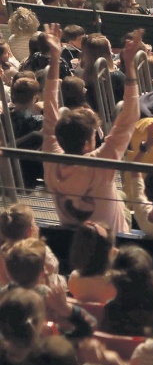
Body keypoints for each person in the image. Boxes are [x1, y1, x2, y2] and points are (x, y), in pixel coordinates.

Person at [43, 25, 142, 234]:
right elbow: (130, 117)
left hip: (73, 241)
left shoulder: (51, 158)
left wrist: (54, 59)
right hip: (112, 240)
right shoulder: (100, 163)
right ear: (88, 143)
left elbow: (50, 111)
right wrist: (130, 67)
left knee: (122, 197)